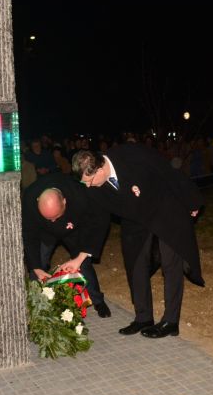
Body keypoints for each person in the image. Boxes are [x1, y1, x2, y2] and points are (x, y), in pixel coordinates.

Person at [72, 144, 204, 338]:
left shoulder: (132, 154)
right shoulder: (93, 186)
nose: (88, 186)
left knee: (170, 264)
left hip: (163, 208)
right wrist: (82, 256)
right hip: (134, 219)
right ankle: (143, 317)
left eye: (89, 181)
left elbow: (167, 171)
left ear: (99, 169)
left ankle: (170, 321)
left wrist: (192, 200)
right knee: (135, 265)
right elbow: (98, 220)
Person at [21, 174, 112, 317]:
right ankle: (36, 306)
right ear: (37, 201)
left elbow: (97, 222)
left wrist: (81, 256)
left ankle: (98, 300)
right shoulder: (29, 198)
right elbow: (29, 235)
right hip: (45, 233)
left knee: (83, 264)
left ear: (64, 201)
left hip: (73, 229)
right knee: (37, 267)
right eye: (49, 218)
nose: (53, 221)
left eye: (56, 217)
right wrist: (35, 267)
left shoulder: (79, 193)